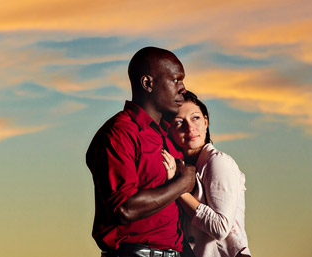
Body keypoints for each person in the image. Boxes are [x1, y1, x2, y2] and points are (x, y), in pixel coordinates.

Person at [86, 47, 196, 257]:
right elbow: (125, 209)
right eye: (176, 80)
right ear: (147, 83)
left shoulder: (168, 135)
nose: (182, 88)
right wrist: (182, 183)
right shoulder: (119, 134)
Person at [162, 91, 251, 257]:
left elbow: (220, 228)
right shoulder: (186, 165)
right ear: (170, 130)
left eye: (195, 118)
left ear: (206, 121)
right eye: (179, 122)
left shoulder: (218, 161)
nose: (190, 127)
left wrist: (177, 188)